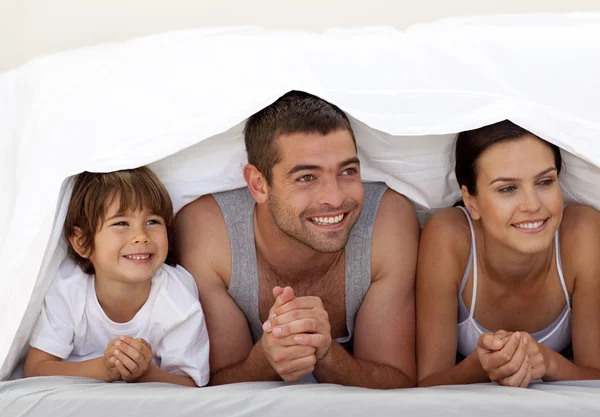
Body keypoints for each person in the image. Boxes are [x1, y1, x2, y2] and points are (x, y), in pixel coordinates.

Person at [175, 91, 420, 388]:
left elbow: (400, 383)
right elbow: (211, 385)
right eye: (307, 177)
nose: (335, 198)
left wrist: (328, 353)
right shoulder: (210, 234)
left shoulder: (387, 220)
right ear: (258, 184)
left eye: (348, 171)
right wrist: (263, 361)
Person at [417, 120, 600, 387]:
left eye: (545, 182)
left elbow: (596, 375)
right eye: (507, 188)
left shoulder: (582, 234)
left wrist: (549, 363)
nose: (533, 205)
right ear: (471, 202)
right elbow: (426, 385)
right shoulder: (448, 238)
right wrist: (481, 365)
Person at [24, 167, 210, 387]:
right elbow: (35, 369)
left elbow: (192, 384)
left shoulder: (177, 297)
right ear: (83, 242)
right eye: (121, 223)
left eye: (152, 221)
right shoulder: (68, 290)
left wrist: (145, 373)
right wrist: (105, 368)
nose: (141, 236)